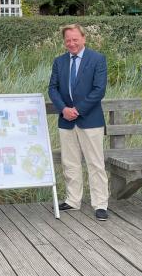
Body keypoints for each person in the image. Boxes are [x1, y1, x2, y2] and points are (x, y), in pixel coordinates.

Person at [48, 23, 111, 221]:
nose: (72, 43)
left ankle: (100, 204)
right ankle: (73, 200)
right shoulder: (59, 62)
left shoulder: (97, 59)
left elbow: (99, 90)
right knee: (70, 163)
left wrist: (78, 110)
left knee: (95, 164)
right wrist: (64, 109)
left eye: (75, 39)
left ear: (83, 38)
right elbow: (52, 88)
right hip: (66, 120)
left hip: (90, 120)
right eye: (68, 40)